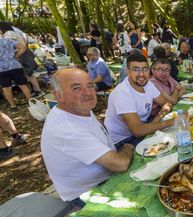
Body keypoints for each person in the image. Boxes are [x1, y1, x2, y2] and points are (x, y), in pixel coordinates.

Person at [41, 68, 134, 204]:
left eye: (90, 86)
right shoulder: (67, 129)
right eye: (77, 88)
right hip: (87, 192)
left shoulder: (78, 108)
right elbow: (120, 164)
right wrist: (128, 148)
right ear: (59, 96)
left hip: (105, 174)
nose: (88, 93)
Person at [104, 53, 174, 148]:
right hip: (123, 142)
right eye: (136, 69)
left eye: (145, 69)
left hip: (143, 128)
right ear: (127, 71)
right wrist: (173, 121)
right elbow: (138, 131)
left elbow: (166, 102)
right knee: (169, 144)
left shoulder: (148, 84)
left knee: (175, 136)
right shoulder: (122, 93)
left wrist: (156, 120)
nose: (141, 74)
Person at [0, 22, 42, 97]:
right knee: (28, 74)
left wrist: (16, 55)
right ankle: (35, 90)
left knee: (28, 73)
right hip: (22, 53)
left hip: (23, 54)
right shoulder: (12, 32)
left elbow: (8, 47)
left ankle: (38, 90)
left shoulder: (9, 33)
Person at [0, 31, 32, 110]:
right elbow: (23, 46)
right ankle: (31, 102)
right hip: (15, 66)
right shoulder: (8, 41)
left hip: (1, 69)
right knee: (23, 85)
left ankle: (13, 106)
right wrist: (17, 55)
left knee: (6, 88)